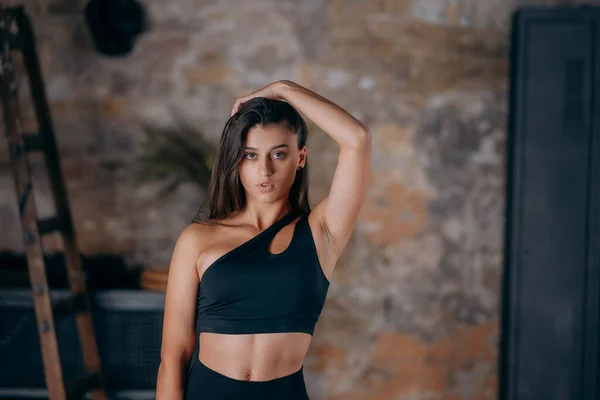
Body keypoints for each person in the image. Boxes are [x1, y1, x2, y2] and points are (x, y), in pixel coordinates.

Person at [155, 80, 372, 399]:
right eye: (250, 155)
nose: (265, 170)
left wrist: (283, 89)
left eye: (279, 154)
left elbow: (358, 139)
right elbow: (173, 356)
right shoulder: (198, 240)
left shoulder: (321, 232)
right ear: (236, 161)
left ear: (300, 158)